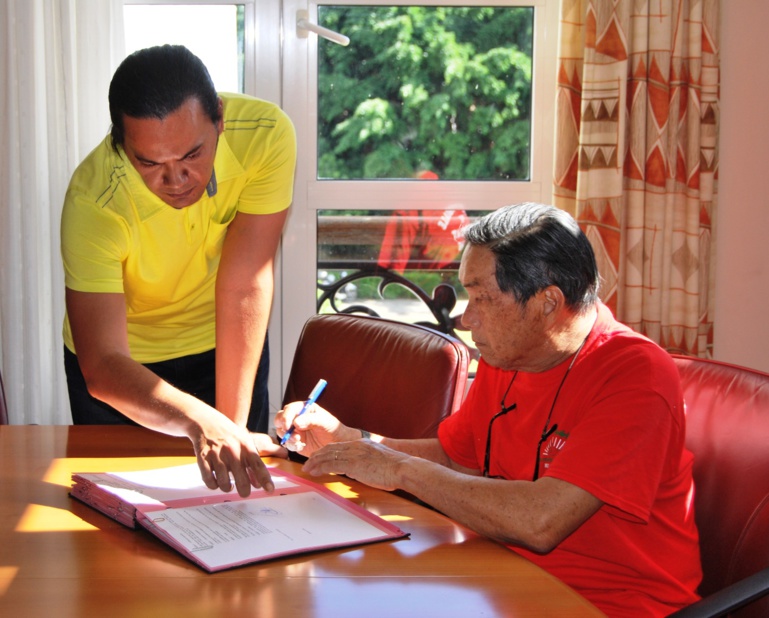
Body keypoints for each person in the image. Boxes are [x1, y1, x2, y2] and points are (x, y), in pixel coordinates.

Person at [276, 203, 702, 617]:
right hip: (504, 581)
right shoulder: (512, 353)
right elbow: (457, 457)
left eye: (481, 299)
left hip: (611, 604)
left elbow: (541, 522)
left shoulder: (635, 375)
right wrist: (352, 442)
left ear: (547, 303)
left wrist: (399, 468)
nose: (465, 318)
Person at [60, 45, 296, 497]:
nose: (175, 180)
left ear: (220, 119)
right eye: (149, 163)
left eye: (192, 155)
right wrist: (198, 419)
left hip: (223, 343)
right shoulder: (93, 201)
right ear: (120, 143)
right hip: (125, 370)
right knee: (120, 537)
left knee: (236, 507)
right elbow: (103, 361)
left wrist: (227, 427)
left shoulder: (265, 136)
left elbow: (246, 280)